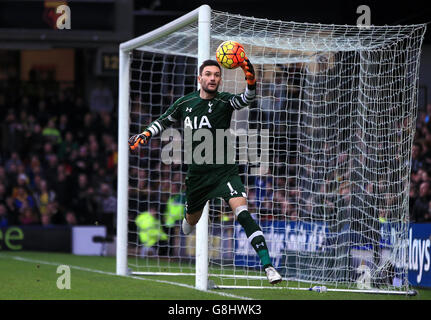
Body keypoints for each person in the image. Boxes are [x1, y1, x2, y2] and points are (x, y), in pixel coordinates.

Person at [128, 58, 282, 285]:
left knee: (243, 213)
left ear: (220, 79)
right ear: (199, 78)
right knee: (189, 224)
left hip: (225, 171)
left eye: (216, 75)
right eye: (208, 74)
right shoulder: (185, 103)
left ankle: (268, 267)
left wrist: (248, 71)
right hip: (198, 176)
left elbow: (247, 98)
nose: (212, 78)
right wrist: (145, 134)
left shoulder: (225, 101)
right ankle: (188, 218)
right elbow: (162, 121)